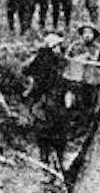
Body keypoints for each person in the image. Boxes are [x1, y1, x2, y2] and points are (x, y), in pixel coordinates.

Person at [22, 33, 71, 176]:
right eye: (54, 47)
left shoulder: (62, 62)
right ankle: (46, 164)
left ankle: (57, 162)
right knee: (45, 134)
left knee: (59, 133)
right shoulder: (43, 62)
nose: (58, 49)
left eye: (58, 46)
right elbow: (33, 78)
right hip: (45, 102)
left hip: (57, 102)